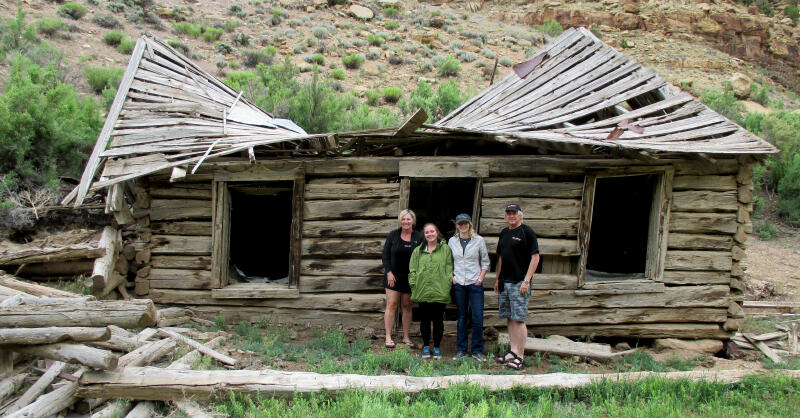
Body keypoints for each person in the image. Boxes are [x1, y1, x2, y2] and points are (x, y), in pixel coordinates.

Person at [494, 203, 540, 370]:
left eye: (514, 213)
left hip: (519, 282)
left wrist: (527, 280)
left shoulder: (527, 232)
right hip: (505, 282)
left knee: (519, 319)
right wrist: (497, 278)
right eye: (508, 213)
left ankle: (520, 356)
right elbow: (501, 257)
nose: (511, 216)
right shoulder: (505, 233)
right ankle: (512, 351)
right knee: (510, 317)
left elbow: (535, 258)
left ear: (520, 215)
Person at [448, 213, 490, 362]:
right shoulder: (452, 241)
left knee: (477, 317)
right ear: (457, 226)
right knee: (461, 317)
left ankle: (477, 350)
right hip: (459, 283)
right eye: (460, 224)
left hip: (475, 283)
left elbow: (485, 262)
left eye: (465, 223)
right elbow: (449, 262)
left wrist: (480, 279)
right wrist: (453, 278)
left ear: (470, 224)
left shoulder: (478, 240)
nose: (463, 226)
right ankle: (461, 349)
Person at [409, 223, 453, 360]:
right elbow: (412, 269)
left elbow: (449, 267)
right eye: (427, 232)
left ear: (437, 232)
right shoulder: (418, 250)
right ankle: (426, 346)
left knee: (438, 320)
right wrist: (414, 284)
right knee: (425, 320)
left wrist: (447, 283)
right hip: (423, 290)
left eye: (432, 231)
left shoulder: (445, 249)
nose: (430, 234)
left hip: (440, 289)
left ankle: (438, 347)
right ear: (424, 235)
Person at [382, 209, 423, 349]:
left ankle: (406, 337)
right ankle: (388, 337)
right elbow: (385, 255)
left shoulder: (418, 237)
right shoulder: (393, 235)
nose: (406, 222)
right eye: (403, 219)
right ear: (400, 221)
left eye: (408, 219)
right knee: (392, 304)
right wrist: (388, 272)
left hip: (410, 278)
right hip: (393, 276)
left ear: (413, 221)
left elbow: (423, 256)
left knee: (407, 305)